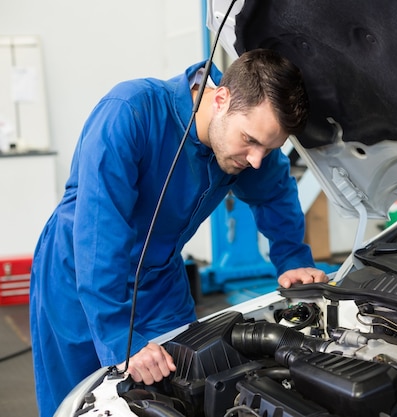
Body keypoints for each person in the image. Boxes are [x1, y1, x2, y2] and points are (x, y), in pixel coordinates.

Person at [29, 48, 329, 417]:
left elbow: (276, 193)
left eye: (269, 148)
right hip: (77, 272)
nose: (255, 160)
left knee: (191, 377)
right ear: (221, 98)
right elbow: (98, 236)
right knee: (80, 400)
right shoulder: (130, 112)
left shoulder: (251, 144)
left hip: (160, 276)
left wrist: (293, 258)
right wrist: (122, 339)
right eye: (250, 141)